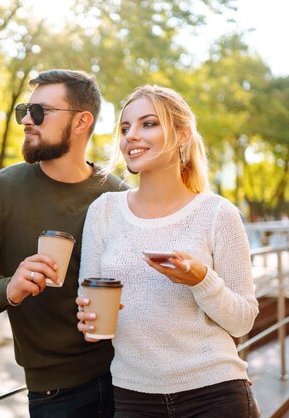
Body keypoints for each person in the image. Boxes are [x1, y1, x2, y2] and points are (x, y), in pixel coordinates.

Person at [0, 69, 128, 417]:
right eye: (24, 111)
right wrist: (7, 288)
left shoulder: (119, 195)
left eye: (40, 111)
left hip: (132, 380)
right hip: (56, 394)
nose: (27, 120)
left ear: (81, 122)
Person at [76, 85, 260, 417]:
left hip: (215, 393)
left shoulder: (218, 214)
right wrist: (89, 320)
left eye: (148, 123)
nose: (131, 135)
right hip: (133, 397)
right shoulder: (103, 211)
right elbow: (91, 305)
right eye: (125, 128)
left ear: (182, 134)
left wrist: (201, 279)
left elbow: (243, 320)